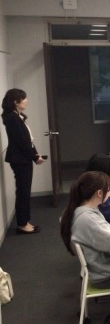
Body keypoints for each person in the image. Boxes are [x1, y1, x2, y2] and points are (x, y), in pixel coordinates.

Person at [1, 88, 45, 234]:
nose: (26, 101)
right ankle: (22, 224)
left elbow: (28, 140)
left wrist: (35, 154)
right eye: (24, 98)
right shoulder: (12, 118)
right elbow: (22, 141)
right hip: (20, 159)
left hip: (23, 158)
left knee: (24, 191)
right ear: (16, 101)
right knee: (23, 192)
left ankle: (24, 221)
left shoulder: (16, 116)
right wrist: (35, 157)